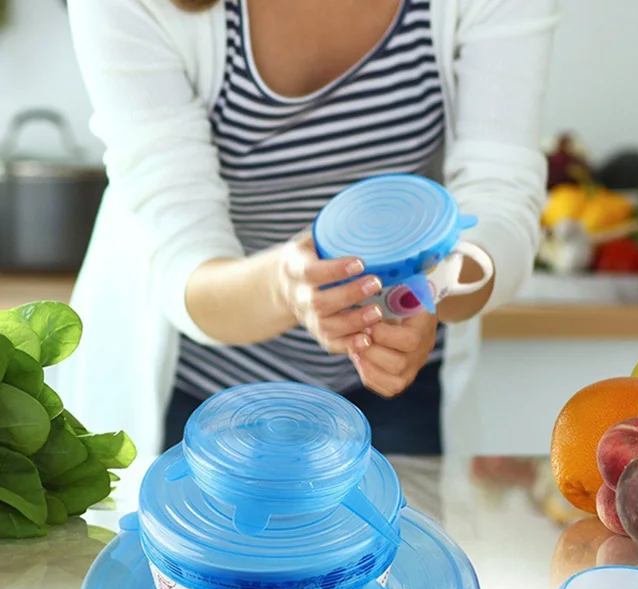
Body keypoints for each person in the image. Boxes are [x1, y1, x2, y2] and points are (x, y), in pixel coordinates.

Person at [55, 0, 558, 457]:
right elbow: (182, 256)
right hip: (203, 387)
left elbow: (501, 201)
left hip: (399, 385)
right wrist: (284, 288)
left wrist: (431, 290)